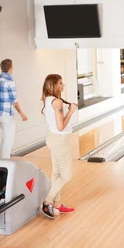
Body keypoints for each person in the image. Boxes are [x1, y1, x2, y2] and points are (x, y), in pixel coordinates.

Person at [40, 74, 76, 218]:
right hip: (59, 140)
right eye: (60, 83)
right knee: (66, 175)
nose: (63, 85)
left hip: (52, 138)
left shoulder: (48, 100)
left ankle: (57, 205)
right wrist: (72, 111)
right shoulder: (57, 102)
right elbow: (61, 126)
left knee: (56, 173)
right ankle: (47, 202)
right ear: (54, 85)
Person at [0, 59, 27, 159]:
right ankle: (5, 162)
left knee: (5, 137)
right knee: (9, 140)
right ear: (11, 68)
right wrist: (22, 114)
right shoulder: (10, 81)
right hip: (6, 114)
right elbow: (14, 101)